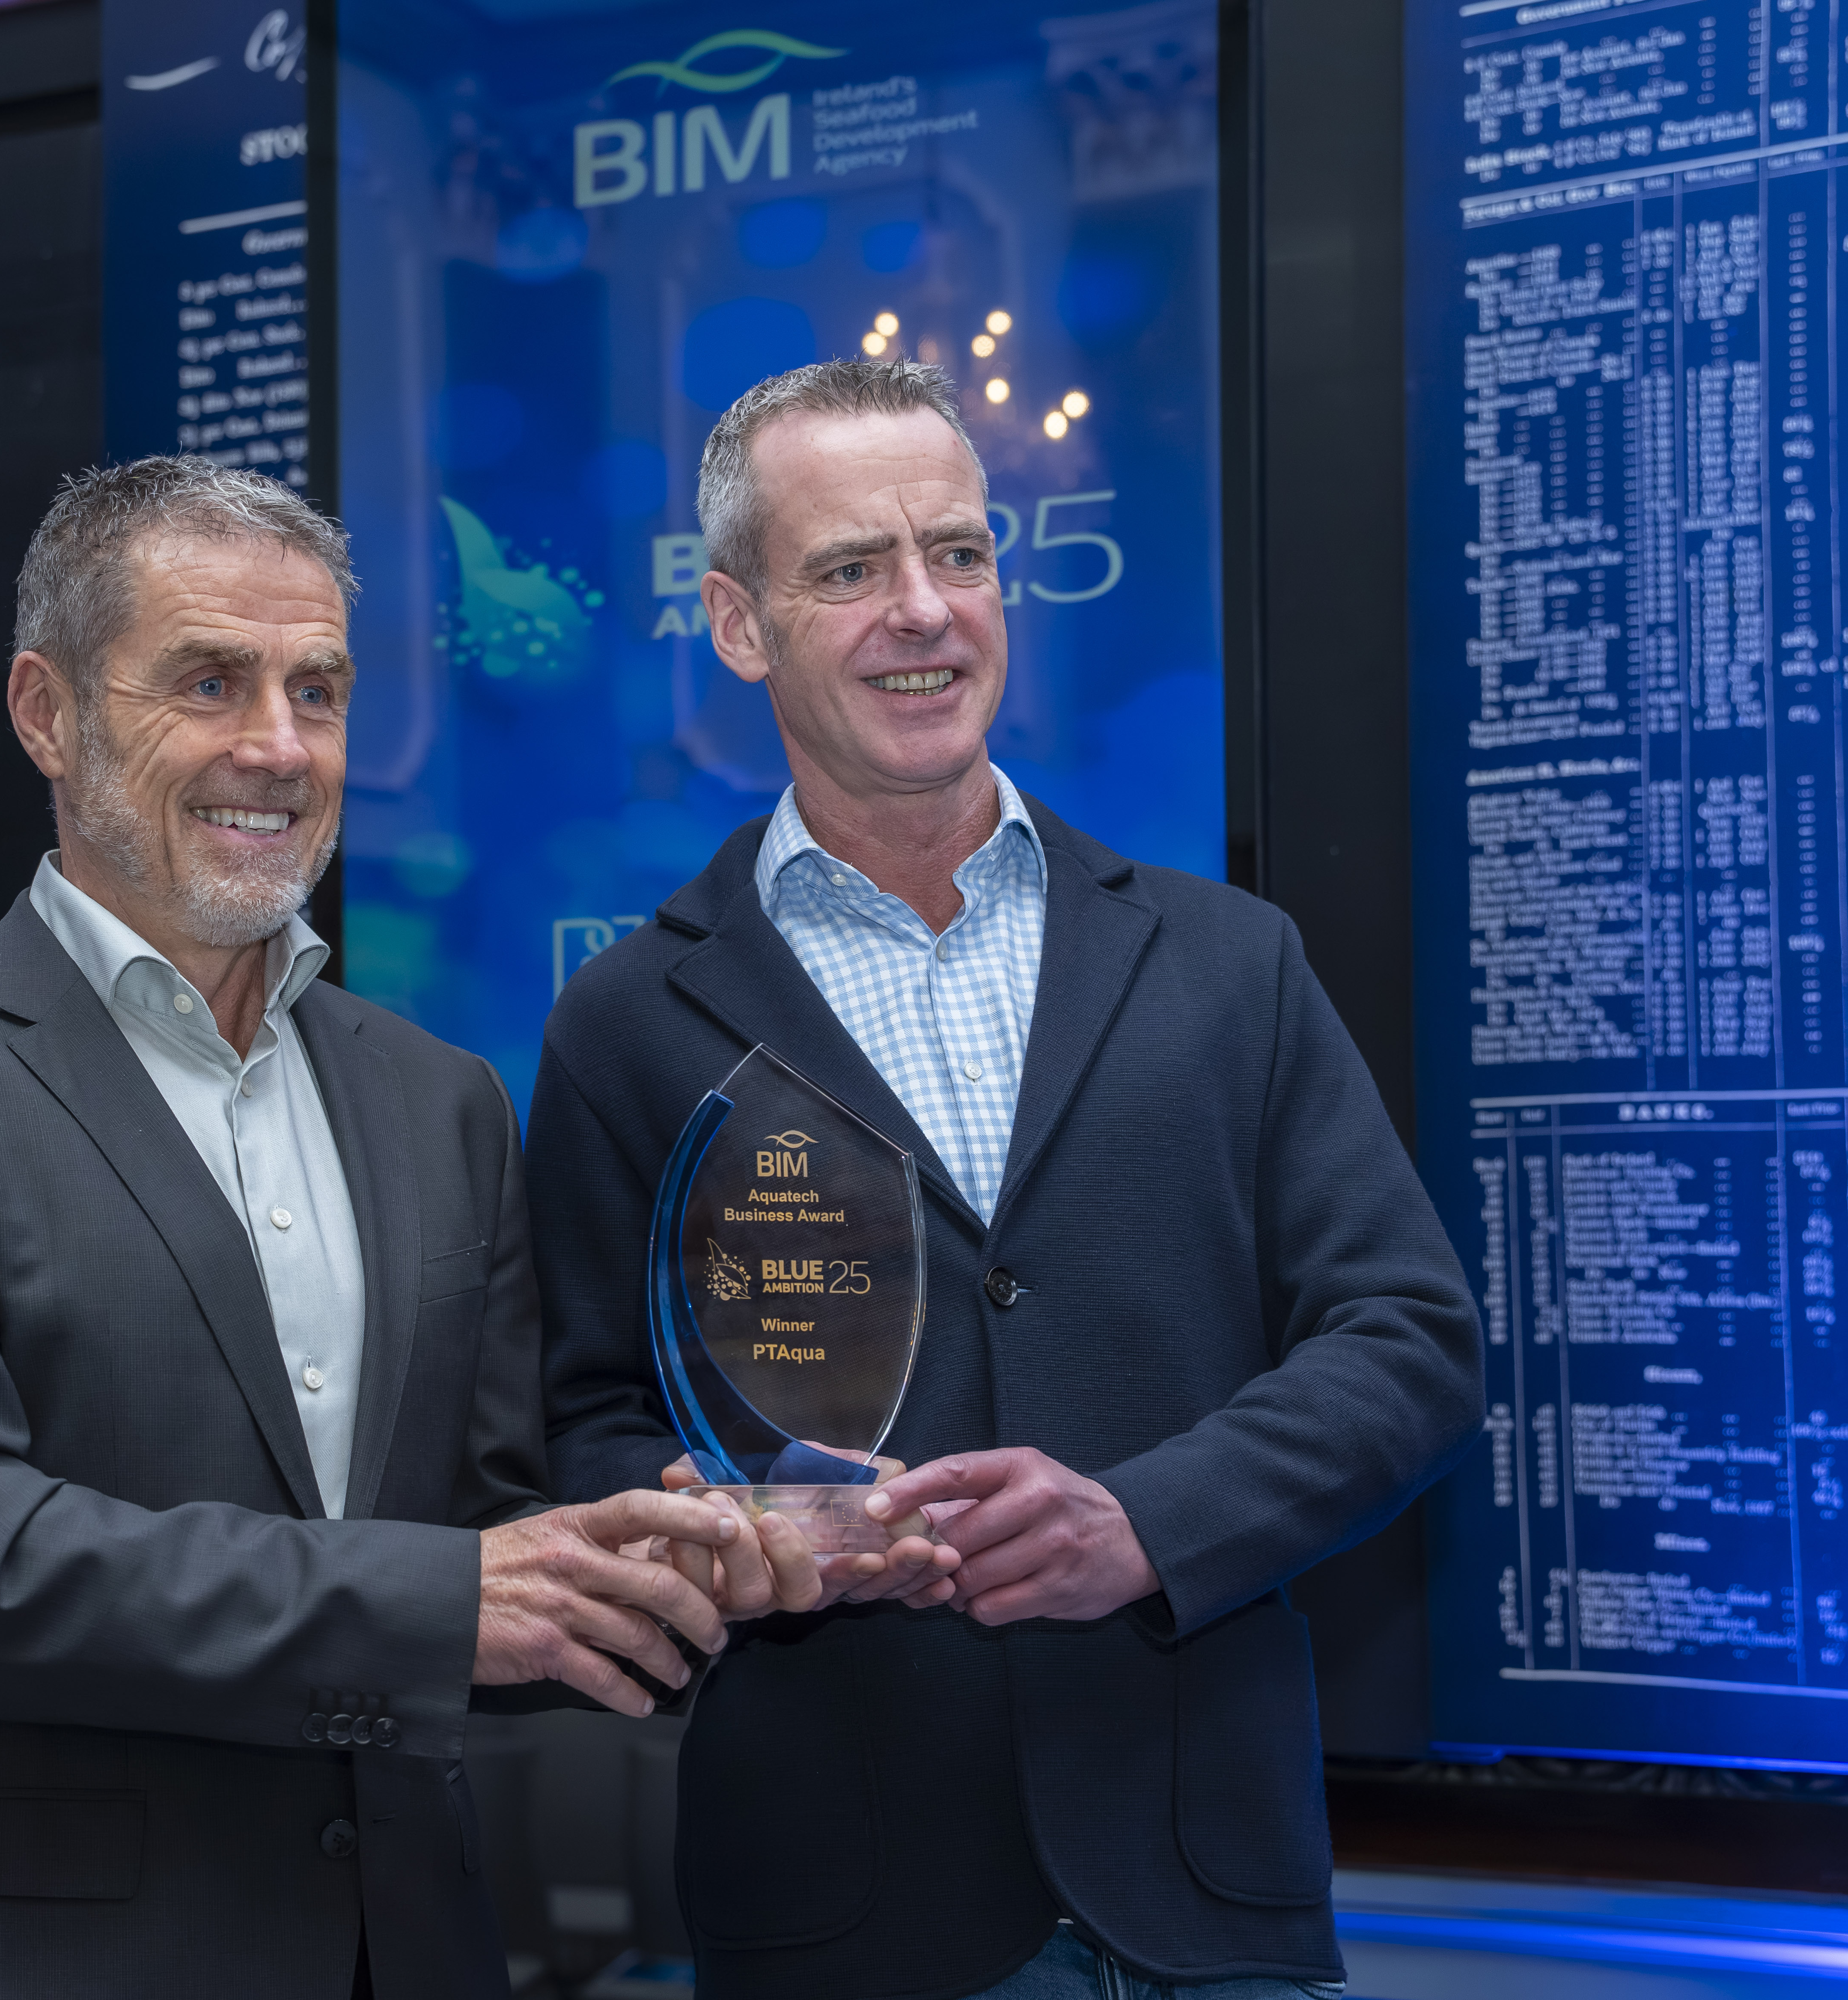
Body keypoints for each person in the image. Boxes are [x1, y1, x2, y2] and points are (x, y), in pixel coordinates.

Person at [0, 458, 745, 2000]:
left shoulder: (444, 1102)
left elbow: (484, 1543)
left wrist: (669, 1560)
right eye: (211, 682)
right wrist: (452, 1602)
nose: (277, 746)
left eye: (317, 692)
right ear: (46, 713)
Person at [533, 362, 1483, 2000]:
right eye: (851, 568)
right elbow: (587, 1429)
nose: (925, 610)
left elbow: (1410, 1341)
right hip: (843, 1915)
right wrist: (743, 1531)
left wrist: (1146, 1524)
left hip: (1207, 1890)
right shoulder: (626, 1023)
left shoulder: (1230, 962)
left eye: (960, 554)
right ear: (739, 625)